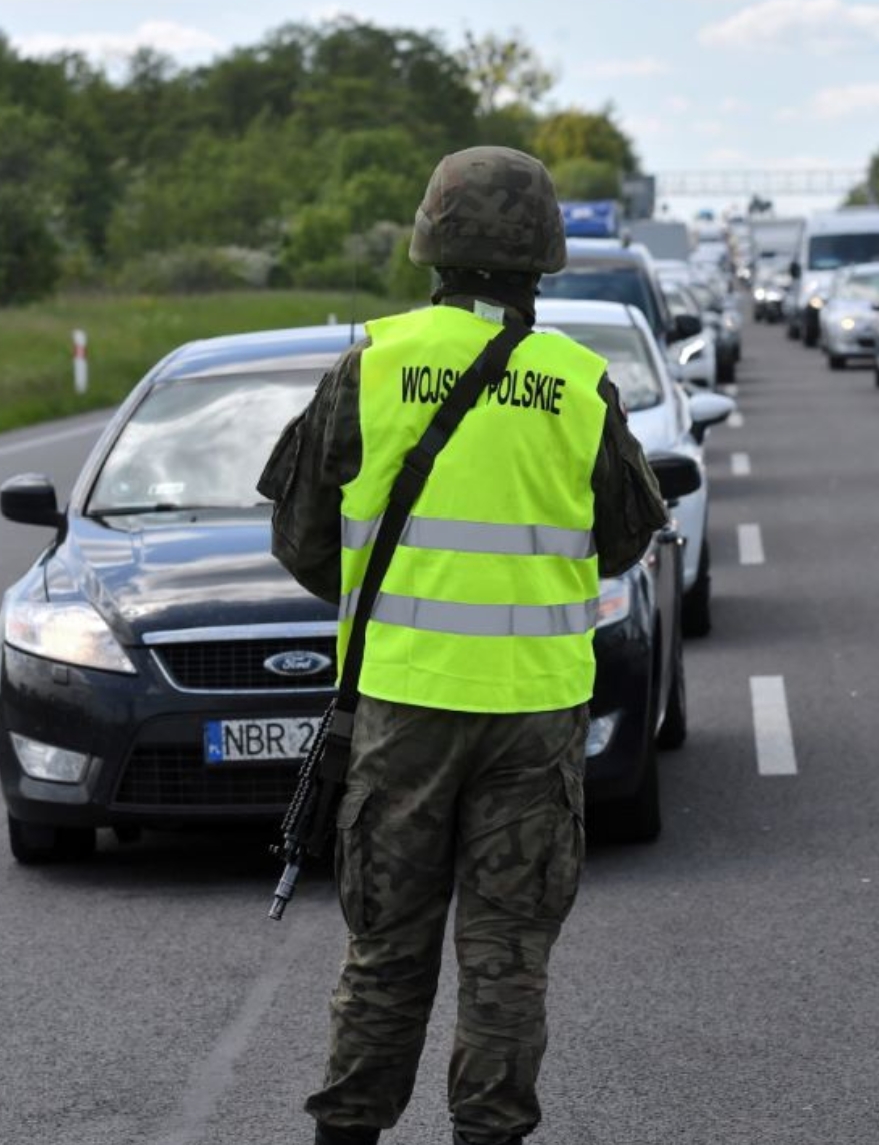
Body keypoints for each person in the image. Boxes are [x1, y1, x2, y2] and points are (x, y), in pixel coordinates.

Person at [258, 145, 668, 1145]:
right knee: (506, 960)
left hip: (401, 709)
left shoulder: (372, 364)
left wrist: (396, 600)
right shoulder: (579, 384)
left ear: (430, 243)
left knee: (386, 952)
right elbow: (626, 538)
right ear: (547, 254)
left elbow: (301, 539)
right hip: (534, 715)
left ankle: (348, 1133)